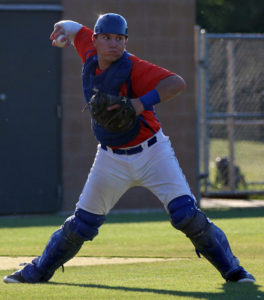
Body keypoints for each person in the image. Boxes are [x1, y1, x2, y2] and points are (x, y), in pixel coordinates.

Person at [3, 13, 255, 284]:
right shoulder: (89, 48)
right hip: (110, 158)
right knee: (82, 224)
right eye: (107, 38)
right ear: (96, 40)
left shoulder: (132, 66)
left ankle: (234, 270)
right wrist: (63, 28)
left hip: (152, 152)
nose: (113, 43)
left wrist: (138, 104)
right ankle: (38, 270)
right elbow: (75, 29)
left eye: (120, 39)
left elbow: (176, 83)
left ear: (126, 41)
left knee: (186, 216)